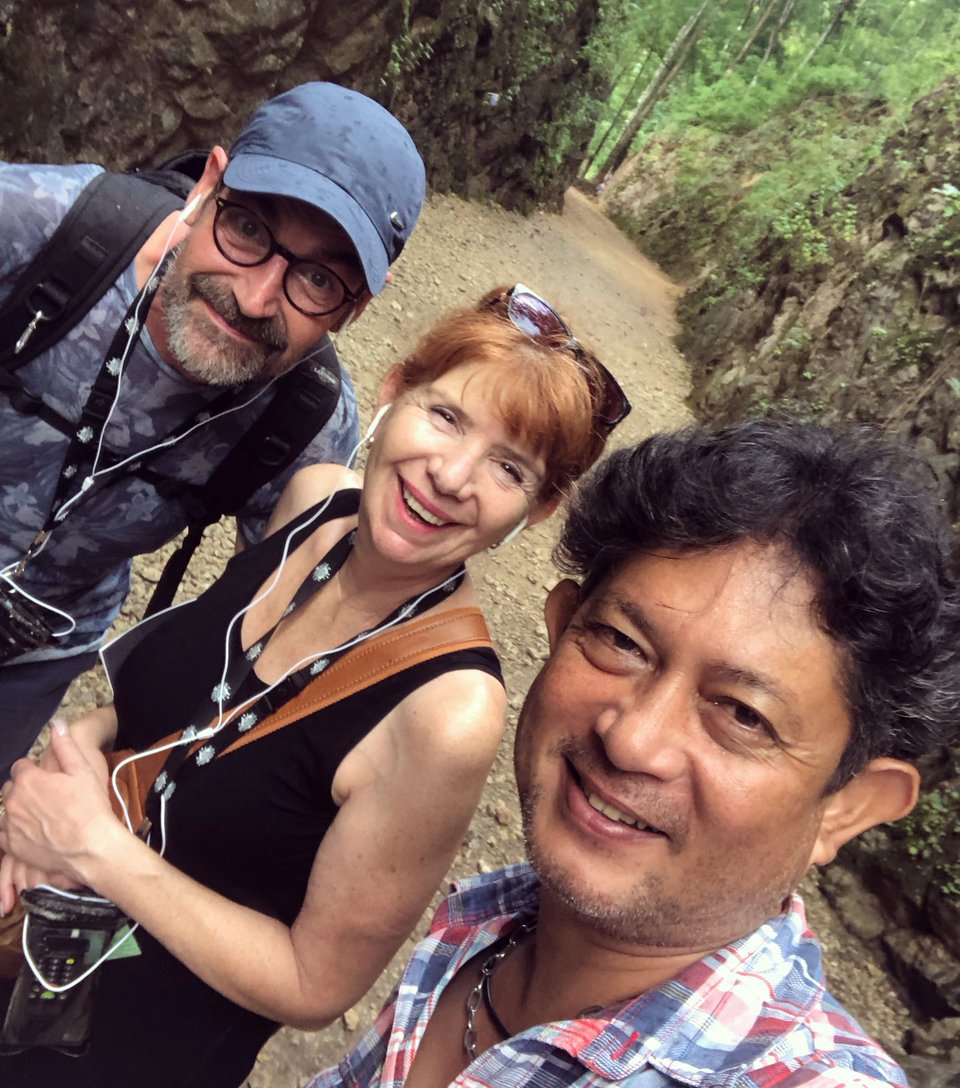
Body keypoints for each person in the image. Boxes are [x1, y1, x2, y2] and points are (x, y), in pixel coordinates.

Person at [0, 285, 629, 1087]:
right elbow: (190, 707)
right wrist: (68, 766)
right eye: (445, 416)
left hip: (133, 1045)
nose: (450, 475)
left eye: (509, 468)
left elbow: (315, 985)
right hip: (35, 923)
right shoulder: (313, 502)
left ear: (536, 510)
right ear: (396, 388)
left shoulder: (448, 711)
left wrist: (93, 845)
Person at [304, 421, 960, 1088]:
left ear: (847, 807)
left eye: (743, 714)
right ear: (562, 625)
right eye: (622, 643)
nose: (631, 739)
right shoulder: (486, 923)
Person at [0, 80, 427, 780]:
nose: (254, 298)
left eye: (318, 280)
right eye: (249, 229)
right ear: (207, 187)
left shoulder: (306, 429)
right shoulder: (37, 227)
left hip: (37, 647)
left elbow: (274, 639)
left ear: (353, 311)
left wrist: (127, 767)